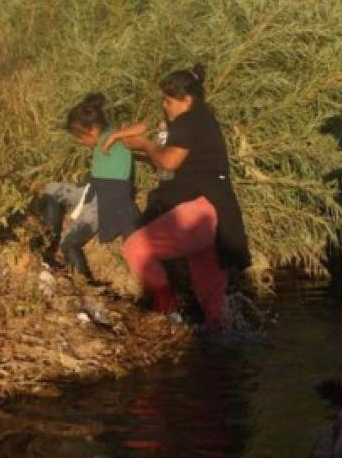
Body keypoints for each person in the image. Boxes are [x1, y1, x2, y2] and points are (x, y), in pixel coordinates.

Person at [106, 64, 250, 329]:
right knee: (211, 297)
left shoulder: (188, 121)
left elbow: (169, 161)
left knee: (136, 248)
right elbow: (168, 145)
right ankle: (226, 342)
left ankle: (169, 314)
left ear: (188, 100)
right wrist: (127, 139)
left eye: (169, 101)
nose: (165, 106)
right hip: (217, 210)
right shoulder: (202, 118)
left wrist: (147, 146)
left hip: (201, 208)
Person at [41, 93, 139, 281]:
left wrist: (117, 135)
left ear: (92, 130)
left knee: (69, 243)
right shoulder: (104, 136)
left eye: (80, 137)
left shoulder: (113, 138)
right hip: (91, 190)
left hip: (103, 201)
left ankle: (87, 282)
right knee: (51, 189)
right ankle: (48, 242)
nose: (79, 142)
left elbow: (144, 127)